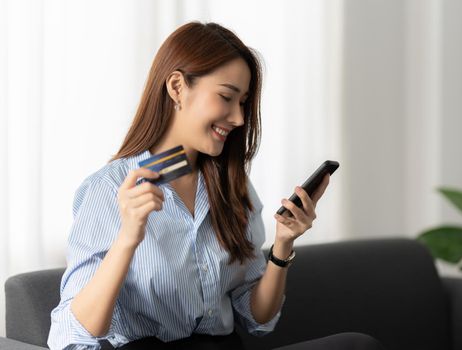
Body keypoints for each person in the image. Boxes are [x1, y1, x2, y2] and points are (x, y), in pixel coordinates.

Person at [47, 22, 385, 350]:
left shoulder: (232, 187)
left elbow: (258, 319)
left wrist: (283, 244)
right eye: (227, 97)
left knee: (357, 345)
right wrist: (128, 238)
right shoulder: (108, 189)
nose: (238, 118)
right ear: (177, 87)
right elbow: (72, 334)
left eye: (243, 102)